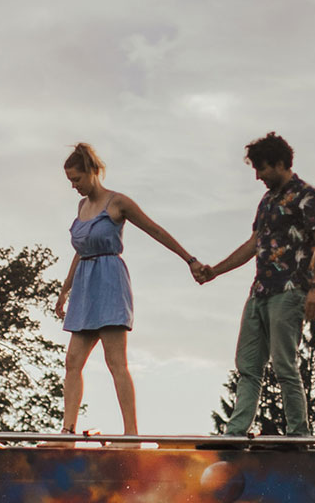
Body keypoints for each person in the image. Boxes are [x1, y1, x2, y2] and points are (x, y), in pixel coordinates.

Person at [56, 142, 205, 435]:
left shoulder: (117, 202)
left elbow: (155, 229)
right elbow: (81, 249)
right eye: (70, 181)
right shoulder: (81, 207)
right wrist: (65, 289)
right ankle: (68, 432)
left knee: (116, 362)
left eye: (77, 179)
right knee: (72, 361)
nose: (74, 186)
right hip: (85, 286)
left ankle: (130, 434)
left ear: (92, 172)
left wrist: (190, 259)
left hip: (110, 282)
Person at [196, 132, 315, 436]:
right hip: (259, 293)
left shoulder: (307, 196)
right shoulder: (267, 201)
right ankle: (236, 432)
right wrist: (215, 271)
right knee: (247, 366)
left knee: (284, 365)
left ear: (280, 163)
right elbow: (253, 244)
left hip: (290, 291)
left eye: (262, 169)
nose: (258, 176)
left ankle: (298, 434)